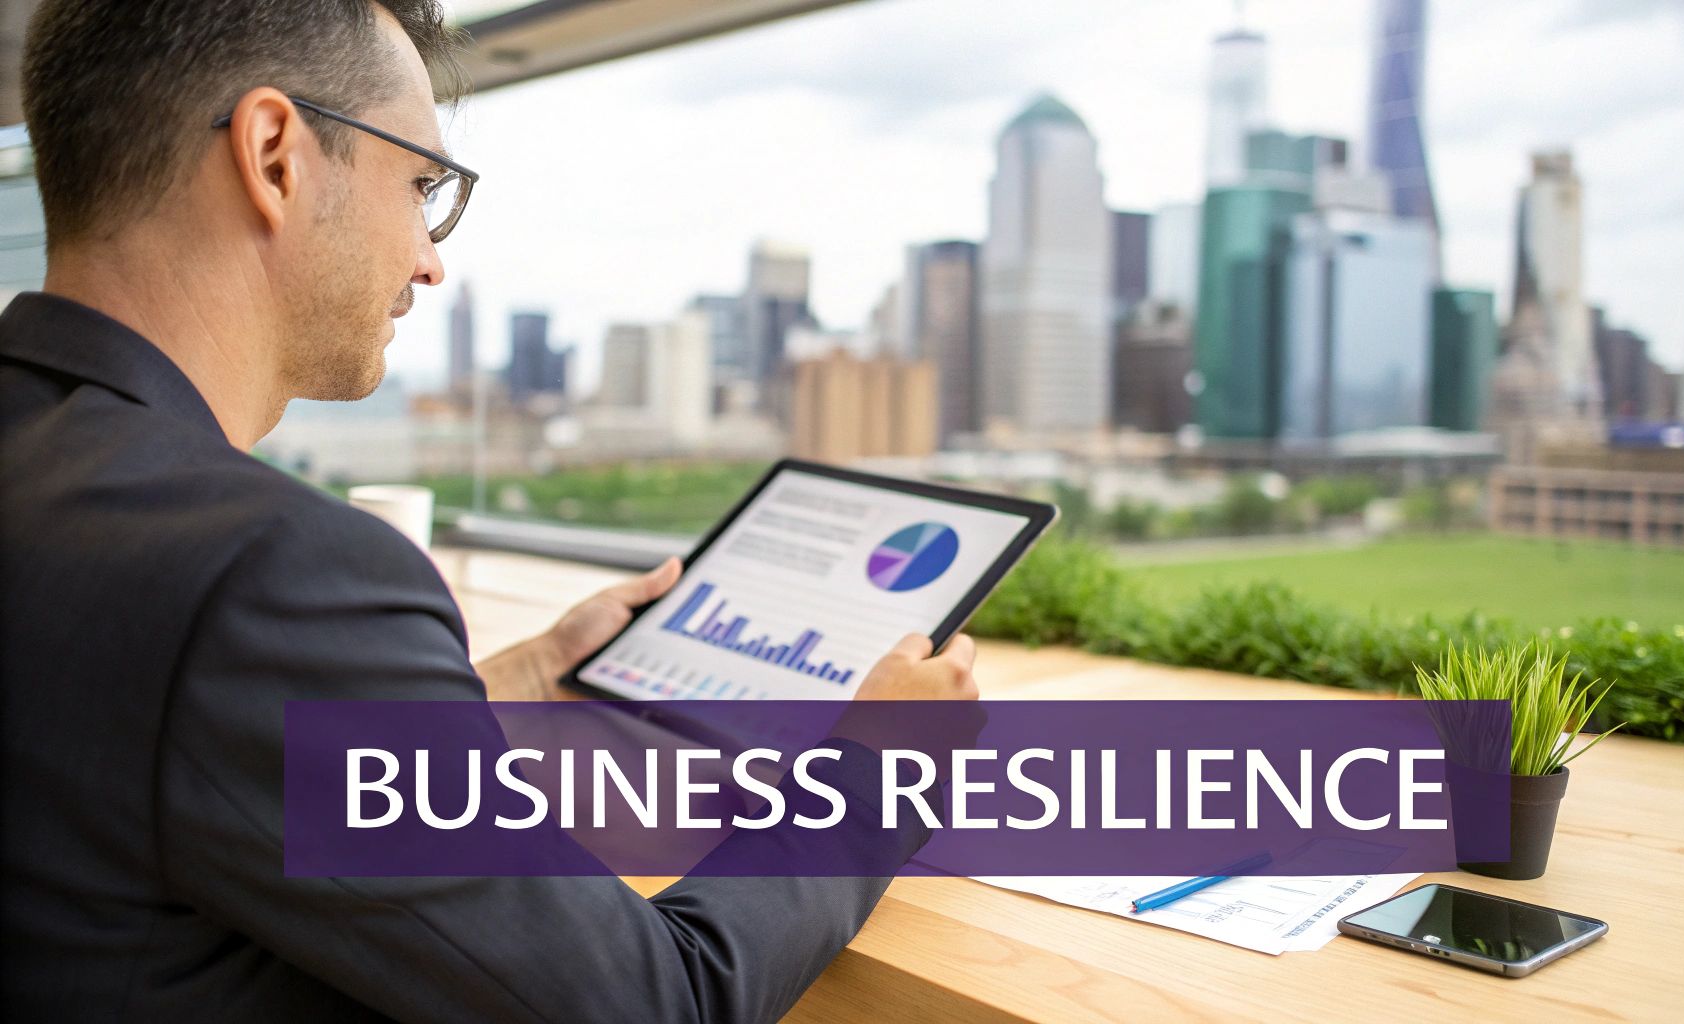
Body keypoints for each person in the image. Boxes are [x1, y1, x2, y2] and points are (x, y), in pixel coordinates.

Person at [0, 2, 977, 1020]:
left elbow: (156, 743)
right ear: (276, 154)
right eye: (422, 186)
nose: (430, 258)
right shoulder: (274, 571)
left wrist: (518, 689)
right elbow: (654, 1003)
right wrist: (874, 771)